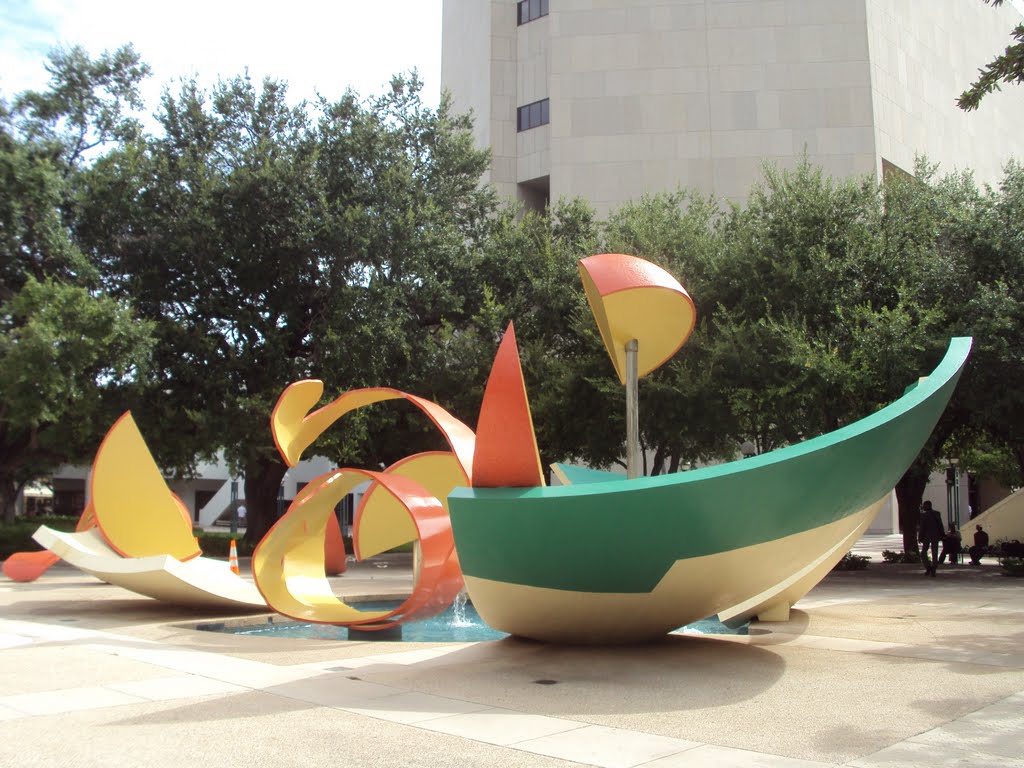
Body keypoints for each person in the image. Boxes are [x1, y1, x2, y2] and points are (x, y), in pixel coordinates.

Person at [918, 501, 944, 577]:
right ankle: (932, 569)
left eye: (924, 505)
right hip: (934, 536)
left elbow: (922, 527)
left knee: (924, 553)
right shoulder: (936, 513)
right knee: (934, 553)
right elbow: (940, 525)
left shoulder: (924, 515)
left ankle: (929, 568)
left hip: (928, 537)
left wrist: (920, 537)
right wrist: (942, 535)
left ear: (928, 506)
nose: (923, 507)